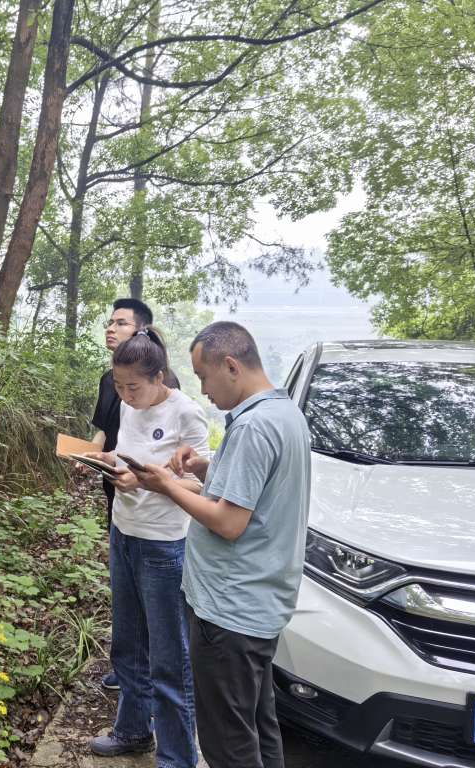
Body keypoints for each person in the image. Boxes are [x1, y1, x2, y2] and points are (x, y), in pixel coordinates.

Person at [127, 321, 312, 768]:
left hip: (229, 613)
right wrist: (203, 467)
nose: (203, 391)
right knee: (257, 727)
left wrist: (166, 486)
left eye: (204, 377)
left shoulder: (252, 427)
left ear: (231, 366)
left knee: (228, 744)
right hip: (261, 604)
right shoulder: (284, 413)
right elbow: (253, 490)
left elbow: (229, 522)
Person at [84, 328, 209, 768]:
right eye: (118, 385)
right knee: (129, 644)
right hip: (124, 533)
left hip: (163, 546)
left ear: (159, 377)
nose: (125, 395)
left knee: (168, 656)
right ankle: (134, 730)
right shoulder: (126, 406)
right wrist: (107, 460)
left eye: (133, 386)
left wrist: (149, 482)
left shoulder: (186, 413)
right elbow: (128, 455)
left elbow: (202, 484)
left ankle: (177, 756)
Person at [89, 298, 180, 690]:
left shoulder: (166, 389)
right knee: (124, 590)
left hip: (154, 513)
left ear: (141, 331)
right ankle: (130, 672)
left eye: (121, 323)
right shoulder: (109, 380)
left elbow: (172, 463)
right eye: (109, 322)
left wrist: (140, 480)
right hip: (119, 491)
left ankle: (152, 676)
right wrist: (91, 456)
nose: (111, 329)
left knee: (152, 598)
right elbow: (104, 429)